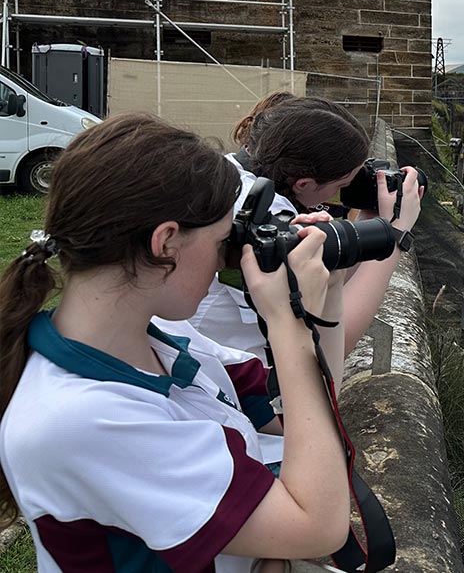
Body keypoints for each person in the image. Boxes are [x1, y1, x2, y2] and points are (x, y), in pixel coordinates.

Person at [0, 114, 349, 571]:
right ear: (165, 242)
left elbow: (303, 418)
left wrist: (330, 292)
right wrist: (287, 324)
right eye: (225, 241)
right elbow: (318, 525)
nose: (230, 260)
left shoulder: (165, 339)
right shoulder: (79, 419)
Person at [188, 96, 423, 360]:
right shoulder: (267, 223)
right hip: (234, 380)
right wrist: (395, 234)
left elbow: (322, 279)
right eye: (340, 186)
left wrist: (370, 224)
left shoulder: (230, 174)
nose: (340, 194)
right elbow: (328, 344)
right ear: (304, 184)